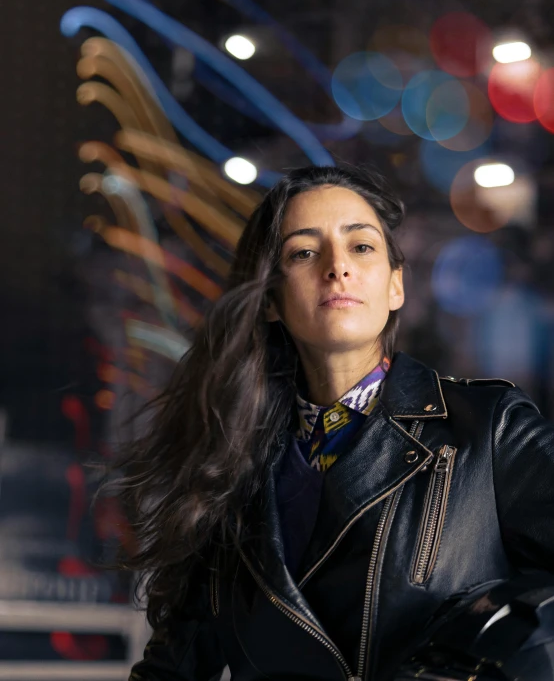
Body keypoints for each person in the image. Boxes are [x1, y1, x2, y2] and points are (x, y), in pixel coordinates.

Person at [119, 164, 554, 681]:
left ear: (396, 286)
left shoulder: (488, 430)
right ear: (272, 301)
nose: (336, 267)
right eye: (304, 252)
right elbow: (172, 668)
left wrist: (496, 644)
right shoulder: (227, 466)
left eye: (362, 247)